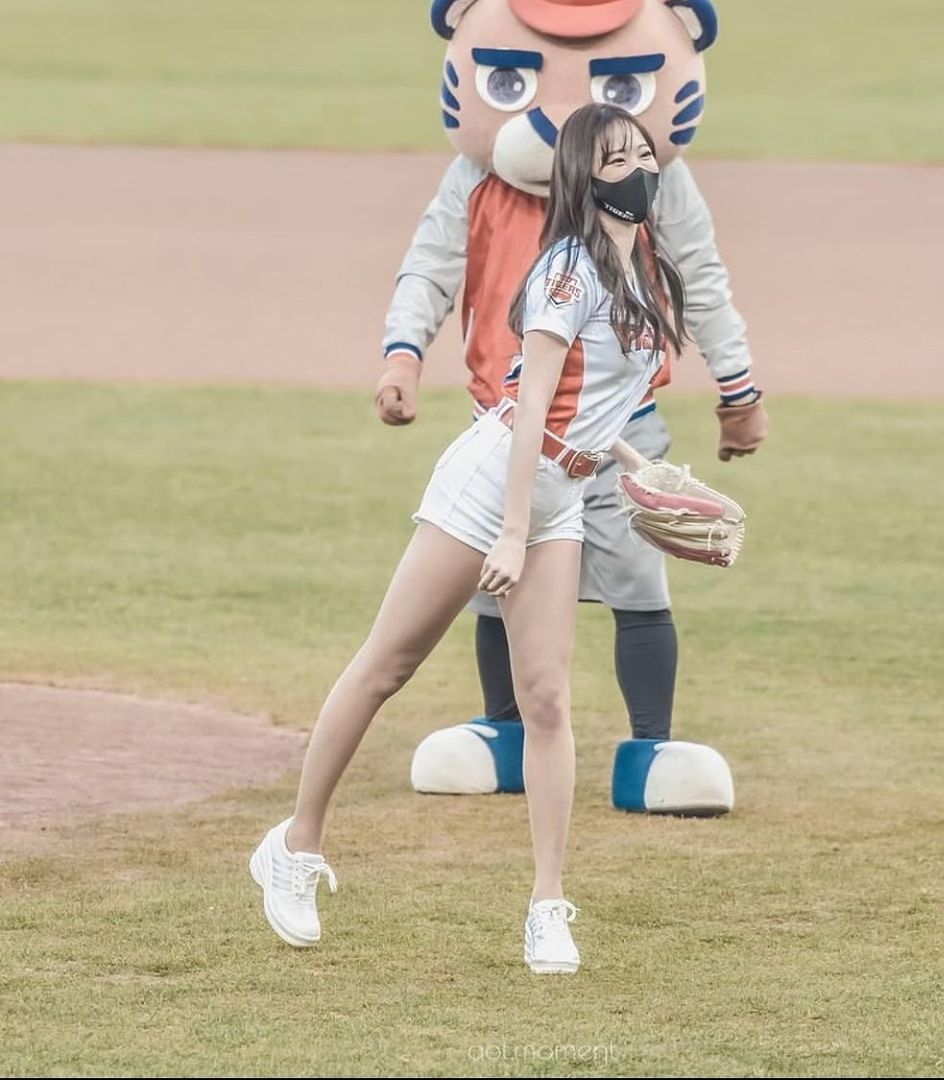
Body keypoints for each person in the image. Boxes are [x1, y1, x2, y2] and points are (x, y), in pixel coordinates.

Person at [250, 102, 689, 974]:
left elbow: (598, 404)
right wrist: (513, 530)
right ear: (582, 173)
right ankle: (294, 845)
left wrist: (640, 469)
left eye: (643, 152)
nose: (638, 167)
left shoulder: (642, 266)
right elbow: (530, 405)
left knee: (549, 699)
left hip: (561, 491)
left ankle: (547, 906)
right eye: (616, 158)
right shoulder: (568, 268)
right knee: (388, 665)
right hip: (495, 482)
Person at [378, 0, 767, 814]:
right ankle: (504, 733)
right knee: (496, 586)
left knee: (638, 583)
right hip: (504, 427)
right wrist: (402, 353)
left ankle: (651, 747)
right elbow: (431, 266)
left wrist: (739, 390)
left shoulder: (651, 184)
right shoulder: (477, 181)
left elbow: (701, 279)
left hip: (619, 434)